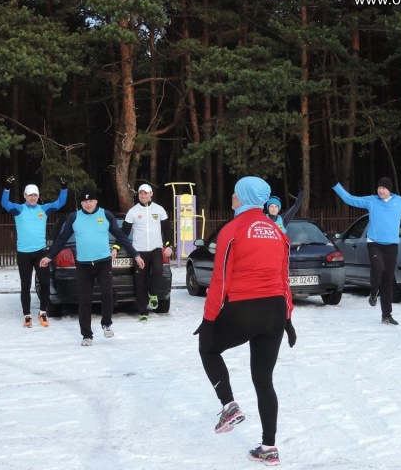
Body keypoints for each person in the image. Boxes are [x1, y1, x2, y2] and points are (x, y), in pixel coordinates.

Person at [194, 176, 295, 466]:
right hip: (275, 311)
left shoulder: (232, 229)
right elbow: (284, 278)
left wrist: (209, 320)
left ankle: (229, 405)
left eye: (235, 193)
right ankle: (269, 447)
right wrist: (287, 318)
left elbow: (219, 281)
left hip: (244, 307)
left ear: (245, 197)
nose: (232, 196)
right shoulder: (277, 231)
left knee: (208, 348)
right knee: (264, 380)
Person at [40, 187, 144, 346]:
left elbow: (121, 236)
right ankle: (86, 335)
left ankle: (107, 323)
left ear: (96, 201)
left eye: (91, 201)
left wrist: (135, 255)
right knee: (85, 300)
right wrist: (49, 256)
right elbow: (62, 239)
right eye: (85, 201)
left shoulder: (106, 215)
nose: (88, 204)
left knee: (107, 294)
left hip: (103, 262)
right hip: (84, 265)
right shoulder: (74, 217)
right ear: (81, 203)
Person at [332, 176, 401, 325]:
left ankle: (386, 315)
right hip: (375, 243)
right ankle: (373, 293)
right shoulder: (371, 201)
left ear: (389, 189)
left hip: (392, 245)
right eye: (379, 188)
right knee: (378, 267)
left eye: (383, 188)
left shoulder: (399, 202)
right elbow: (350, 199)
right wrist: (336, 186)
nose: (380, 190)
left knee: (388, 280)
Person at [1, 176, 67, 328]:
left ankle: (42, 312)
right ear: (24, 196)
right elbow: (5, 203)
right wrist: (6, 188)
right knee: (25, 285)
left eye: (35, 195)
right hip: (23, 254)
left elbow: (60, 203)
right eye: (30, 195)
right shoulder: (19, 209)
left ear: (38, 196)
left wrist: (64, 188)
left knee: (44, 283)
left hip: (40, 253)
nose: (32, 198)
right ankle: (27, 315)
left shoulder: (43, 209)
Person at [122, 184, 173, 322]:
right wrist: (116, 247)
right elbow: (124, 232)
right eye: (141, 193)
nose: (143, 196)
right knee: (140, 281)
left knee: (158, 270)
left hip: (156, 249)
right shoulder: (133, 211)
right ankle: (143, 312)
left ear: (151, 194)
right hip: (139, 251)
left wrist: (169, 246)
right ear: (138, 195)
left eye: (146, 193)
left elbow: (167, 229)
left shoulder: (159, 209)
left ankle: (154, 294)